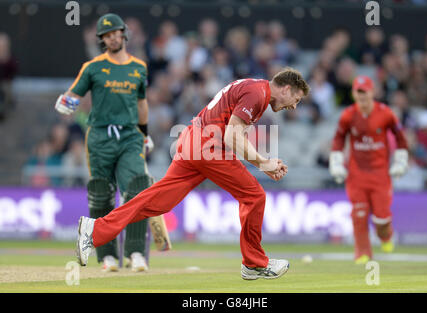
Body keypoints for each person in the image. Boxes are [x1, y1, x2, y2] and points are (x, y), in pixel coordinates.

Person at [76, 67, 310, 280]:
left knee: (158, 201)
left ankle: (95, 230)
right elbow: (231, 137)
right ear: (286, 88)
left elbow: (233, 135)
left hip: (192, 139)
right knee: (254, 196)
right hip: (207, 146)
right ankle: (254, 263)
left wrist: (263, 163)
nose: (294, 106)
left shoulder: (254, 88)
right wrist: (262, 163)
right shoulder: (257, 95)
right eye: (296, 99)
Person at [55, 13, 155, 272]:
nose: (112, 38)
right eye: (106, 35)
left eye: (115, 33)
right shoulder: (93, 67)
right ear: (102, 40)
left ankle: (135, 253)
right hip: (99, 136)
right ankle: (108, 256)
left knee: (137, 188)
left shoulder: (139, 67)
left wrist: (145, 133)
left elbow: (142, 103)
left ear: (124, 34)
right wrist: (64, 103)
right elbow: (72, 96)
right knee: (102, 195)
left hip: (130, 135)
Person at [329, 76, 409, 265]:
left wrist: (400, 161)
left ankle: (386, 235)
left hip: (380, 174)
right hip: (357, 174)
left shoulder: (386, 114)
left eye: (365, 91)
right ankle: (363, 254)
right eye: (359, 91)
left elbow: (401, 138)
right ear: (354, 93)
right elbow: (338, 139)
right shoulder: (348, 115)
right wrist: (336, 163)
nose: (362, 96)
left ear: (372, 92)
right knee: (359, 214)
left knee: (381, 218)